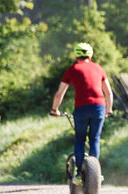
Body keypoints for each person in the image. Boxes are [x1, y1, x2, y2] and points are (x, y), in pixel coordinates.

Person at [50, 42, 113, 184]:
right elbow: (108, 93)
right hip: (99, 107)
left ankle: (78, 174)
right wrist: (108, 109)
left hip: (81, 108)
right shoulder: (98, 68)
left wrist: (55, 110)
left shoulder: (73, 69)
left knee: (80, 139)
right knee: (94, 139)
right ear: (90, 55)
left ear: (76, 55)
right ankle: (95, 175)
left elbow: (60, 93)